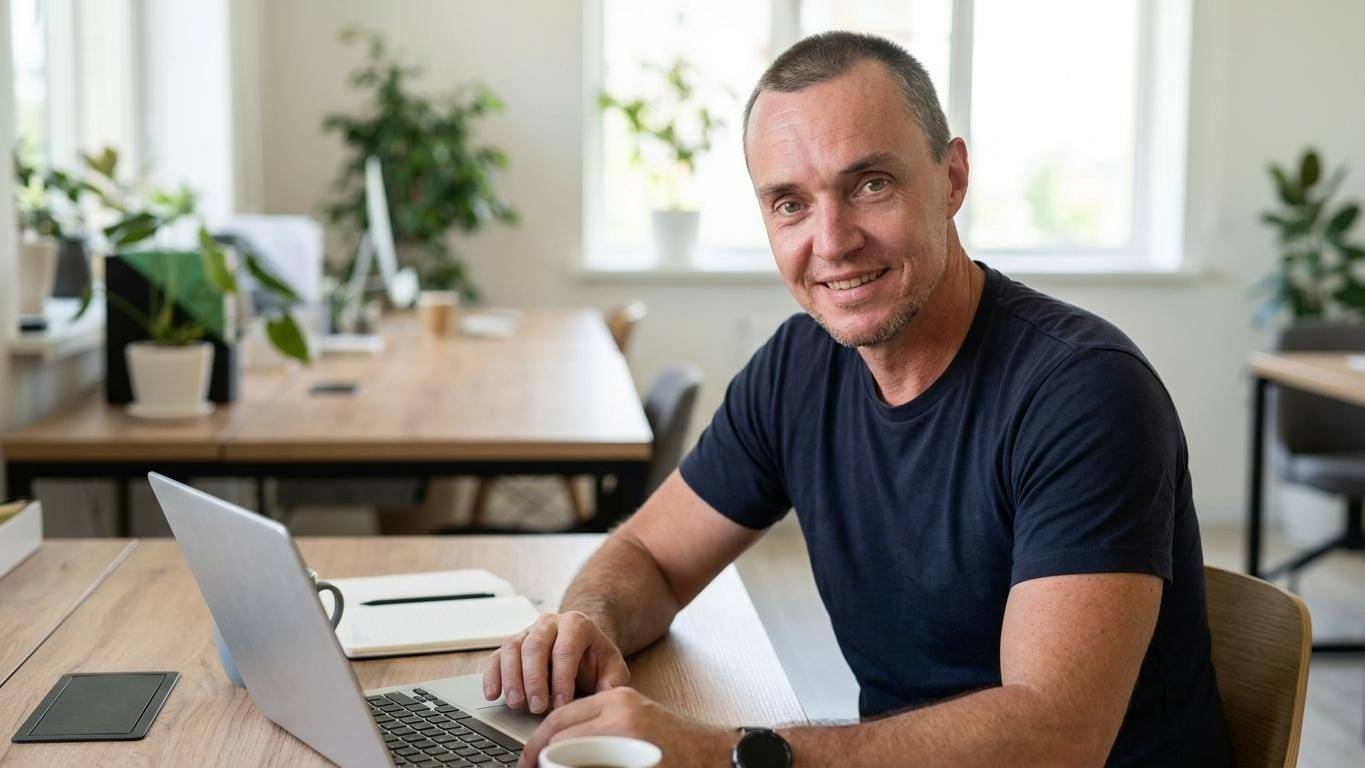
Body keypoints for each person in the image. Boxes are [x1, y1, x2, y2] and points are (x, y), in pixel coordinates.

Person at [490, 31, 1233, 767]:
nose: (832, 241)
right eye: (789, 204)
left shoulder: (1084, 394)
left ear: (951, 178)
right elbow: (649, 553)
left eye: (869, 184)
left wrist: (725, 753)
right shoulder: (797, 367)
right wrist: (588, 622)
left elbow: (1056, 736)